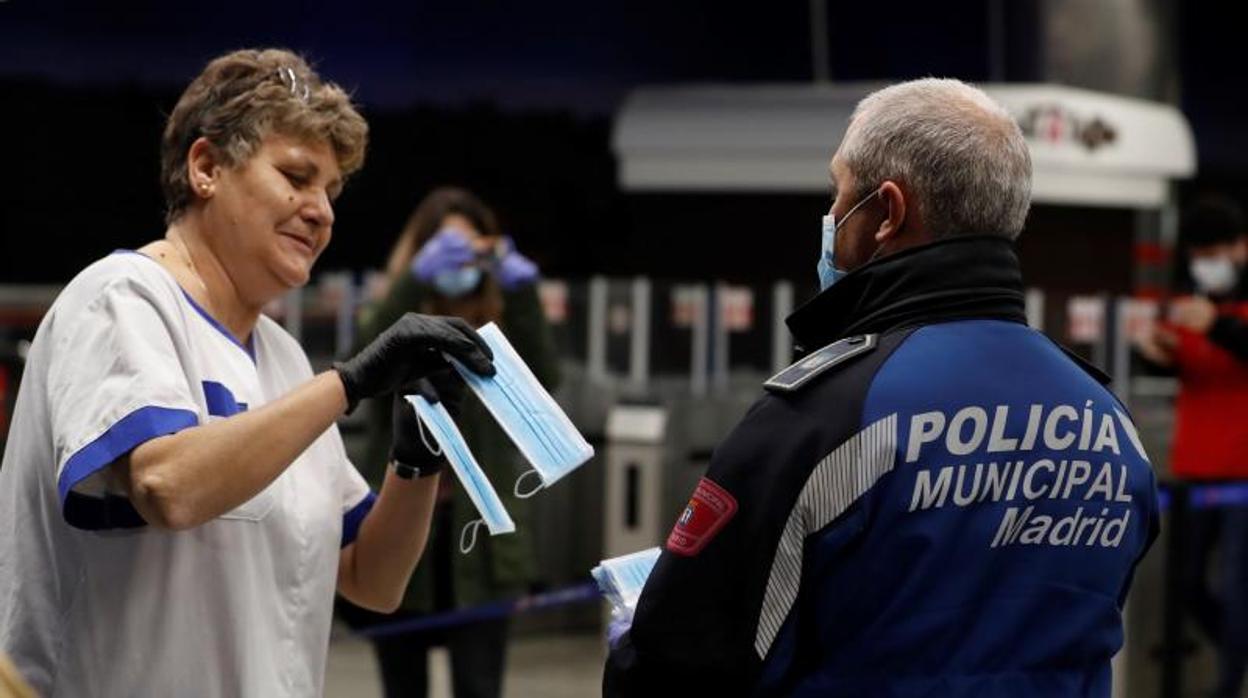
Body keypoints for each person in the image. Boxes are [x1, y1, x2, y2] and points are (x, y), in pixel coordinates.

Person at [603, 78, 1160, 697]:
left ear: (887, 212)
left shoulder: (823, 415)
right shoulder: (1110, 423)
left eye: (839, 190)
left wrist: (635, 635)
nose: (831, 213)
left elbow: (676, 666)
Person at [0, 49, 497, 697]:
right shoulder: (122, 299)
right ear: (206, 168)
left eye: (332, 190)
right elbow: (168, 486)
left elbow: (372, 580)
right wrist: (347, 384)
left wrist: (416, 460)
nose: (323, 210)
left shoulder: (284, 358)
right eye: (297, 176)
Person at [339, 187, 558, 698]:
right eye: (445, 249)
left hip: (477, 540)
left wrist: (523, 295)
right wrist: (411, 283)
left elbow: (546, 377)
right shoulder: (392, 326)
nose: (459, 262)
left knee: (479, 685)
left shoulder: (497, 327)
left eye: (470, 249)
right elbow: (353, 371)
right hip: (400, 527)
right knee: (402, 683)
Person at [1135, 196, 1248, 697]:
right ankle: (1236, 656)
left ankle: (1228, 684)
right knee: (1184, 586)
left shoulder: (1221, 315)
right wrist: (1156, 353)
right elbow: (1181, 368)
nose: (1209, 261)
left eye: (1218, 250)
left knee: (1240, 587)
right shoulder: (1189, 308)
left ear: (1241, 247)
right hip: (1194, 469)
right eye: (1200, 252)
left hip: (1244, 473)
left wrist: (1218, 327)